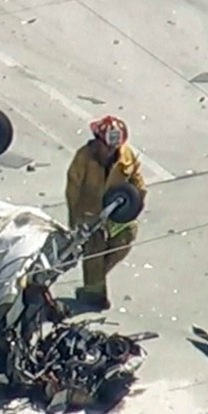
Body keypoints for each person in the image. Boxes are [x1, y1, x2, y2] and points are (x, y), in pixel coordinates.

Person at [64, 115, 147, 310]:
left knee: (126, 237)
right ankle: (93, 295)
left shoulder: (126, 156)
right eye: (107, 147)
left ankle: (95, 278)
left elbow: (137, 182)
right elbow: (72, 191)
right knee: (95, 248)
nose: (111, 151)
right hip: (89, 213)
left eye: (114, 148)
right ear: (98, 141)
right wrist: (76, 222)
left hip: (115, 213)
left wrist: (135, 203)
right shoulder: (83, 158)